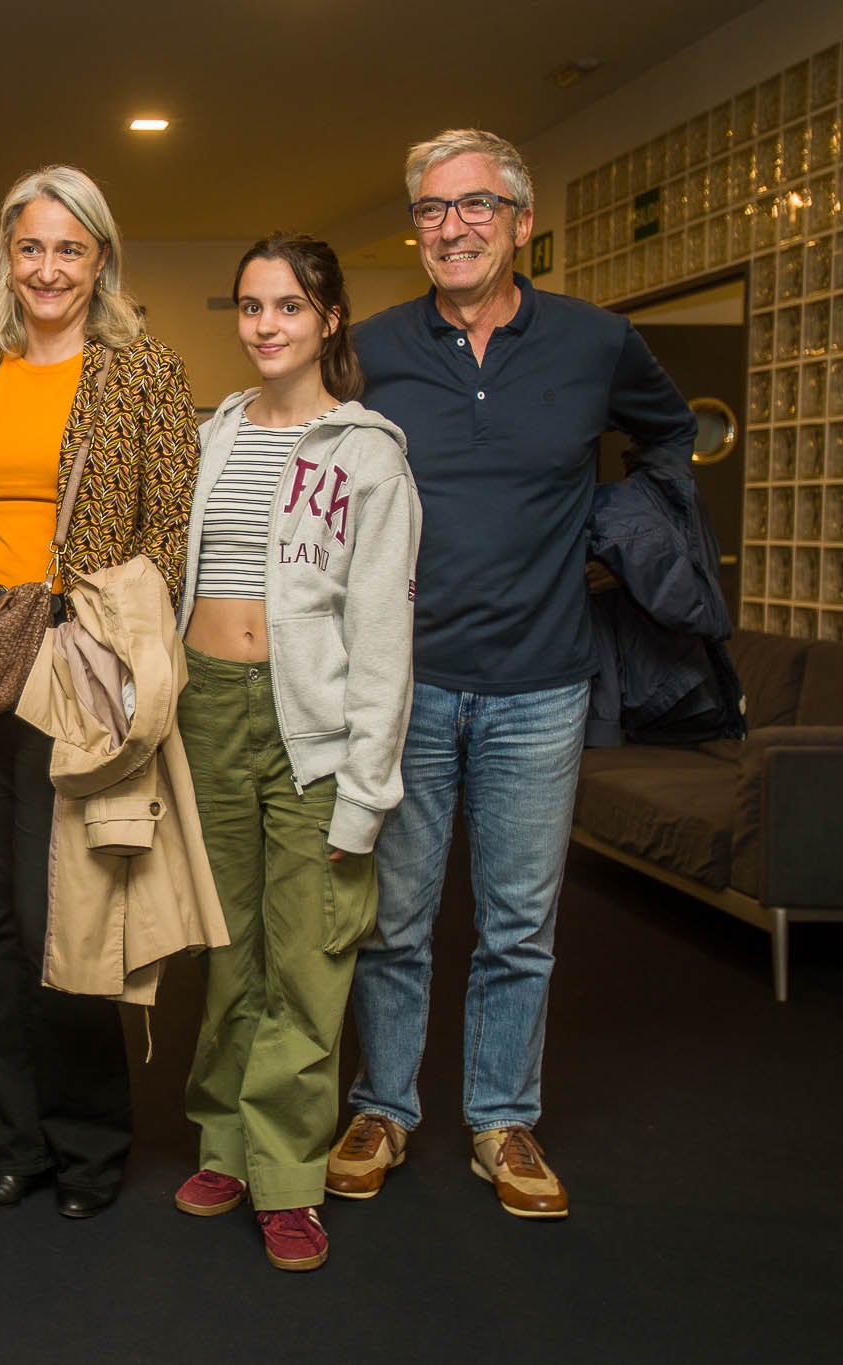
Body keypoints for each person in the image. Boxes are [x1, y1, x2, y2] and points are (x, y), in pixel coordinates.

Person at [329, 130, 697, 1219]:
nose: (451, 227)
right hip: (408, 678)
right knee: (393, 916)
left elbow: (668, 434)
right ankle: (382, 1108)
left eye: (474, 206)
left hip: (541, 681)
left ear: (521, 222)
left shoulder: (595, 342)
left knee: (517, 920)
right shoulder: (374, 347)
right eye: (432, 211)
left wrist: (618, 533)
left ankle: (500, 1119)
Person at [0, 165, 199, 1219]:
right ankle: (10, 1143)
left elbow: (169, 532)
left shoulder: (142, 373)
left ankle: (88, 1146)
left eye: (69, 249)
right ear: (5, 256)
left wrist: (111, 636)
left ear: (100, 260)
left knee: (61, 913)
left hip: (74, 660)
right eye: (30, 247)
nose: (48, 268)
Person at [169, 234, 420, 1271]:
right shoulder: (211, 435)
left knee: (309, 953)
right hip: (207, 714)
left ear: (326, 320)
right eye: (249, 306)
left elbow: (382, 638)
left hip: (309, 729)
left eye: (286, 306)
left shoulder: (367, 454)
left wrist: (365, 793)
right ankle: (224, 1140)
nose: (264, 325)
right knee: (227, 950)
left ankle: (286, 1174)